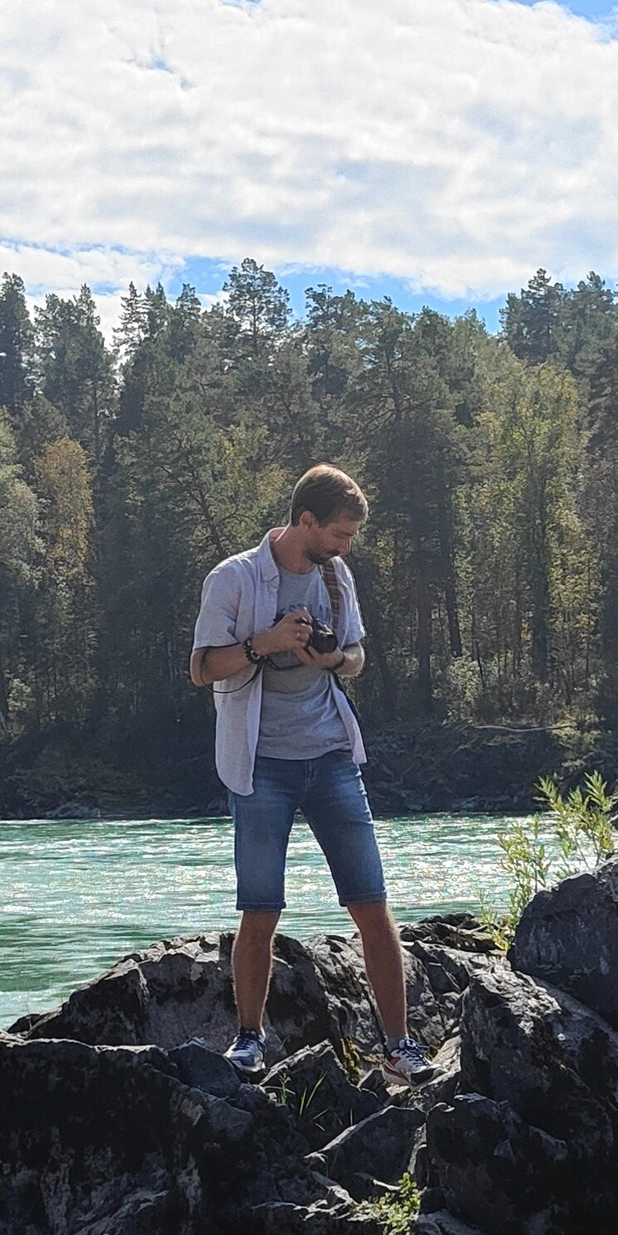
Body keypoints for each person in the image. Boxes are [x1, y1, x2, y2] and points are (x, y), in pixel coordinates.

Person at [189, 464, 430, 1084]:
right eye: (341, 535)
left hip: (331, 759)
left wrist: (332, 657)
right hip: (260, 764)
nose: (347, 548)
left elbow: (355, 657)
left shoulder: (335, 577)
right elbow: (201, 670)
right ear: (306, 522)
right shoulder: (236, 579)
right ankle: (249, 1039)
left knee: (372, 906)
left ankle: (399, 1046)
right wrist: (263, 643)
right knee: (260, 909)